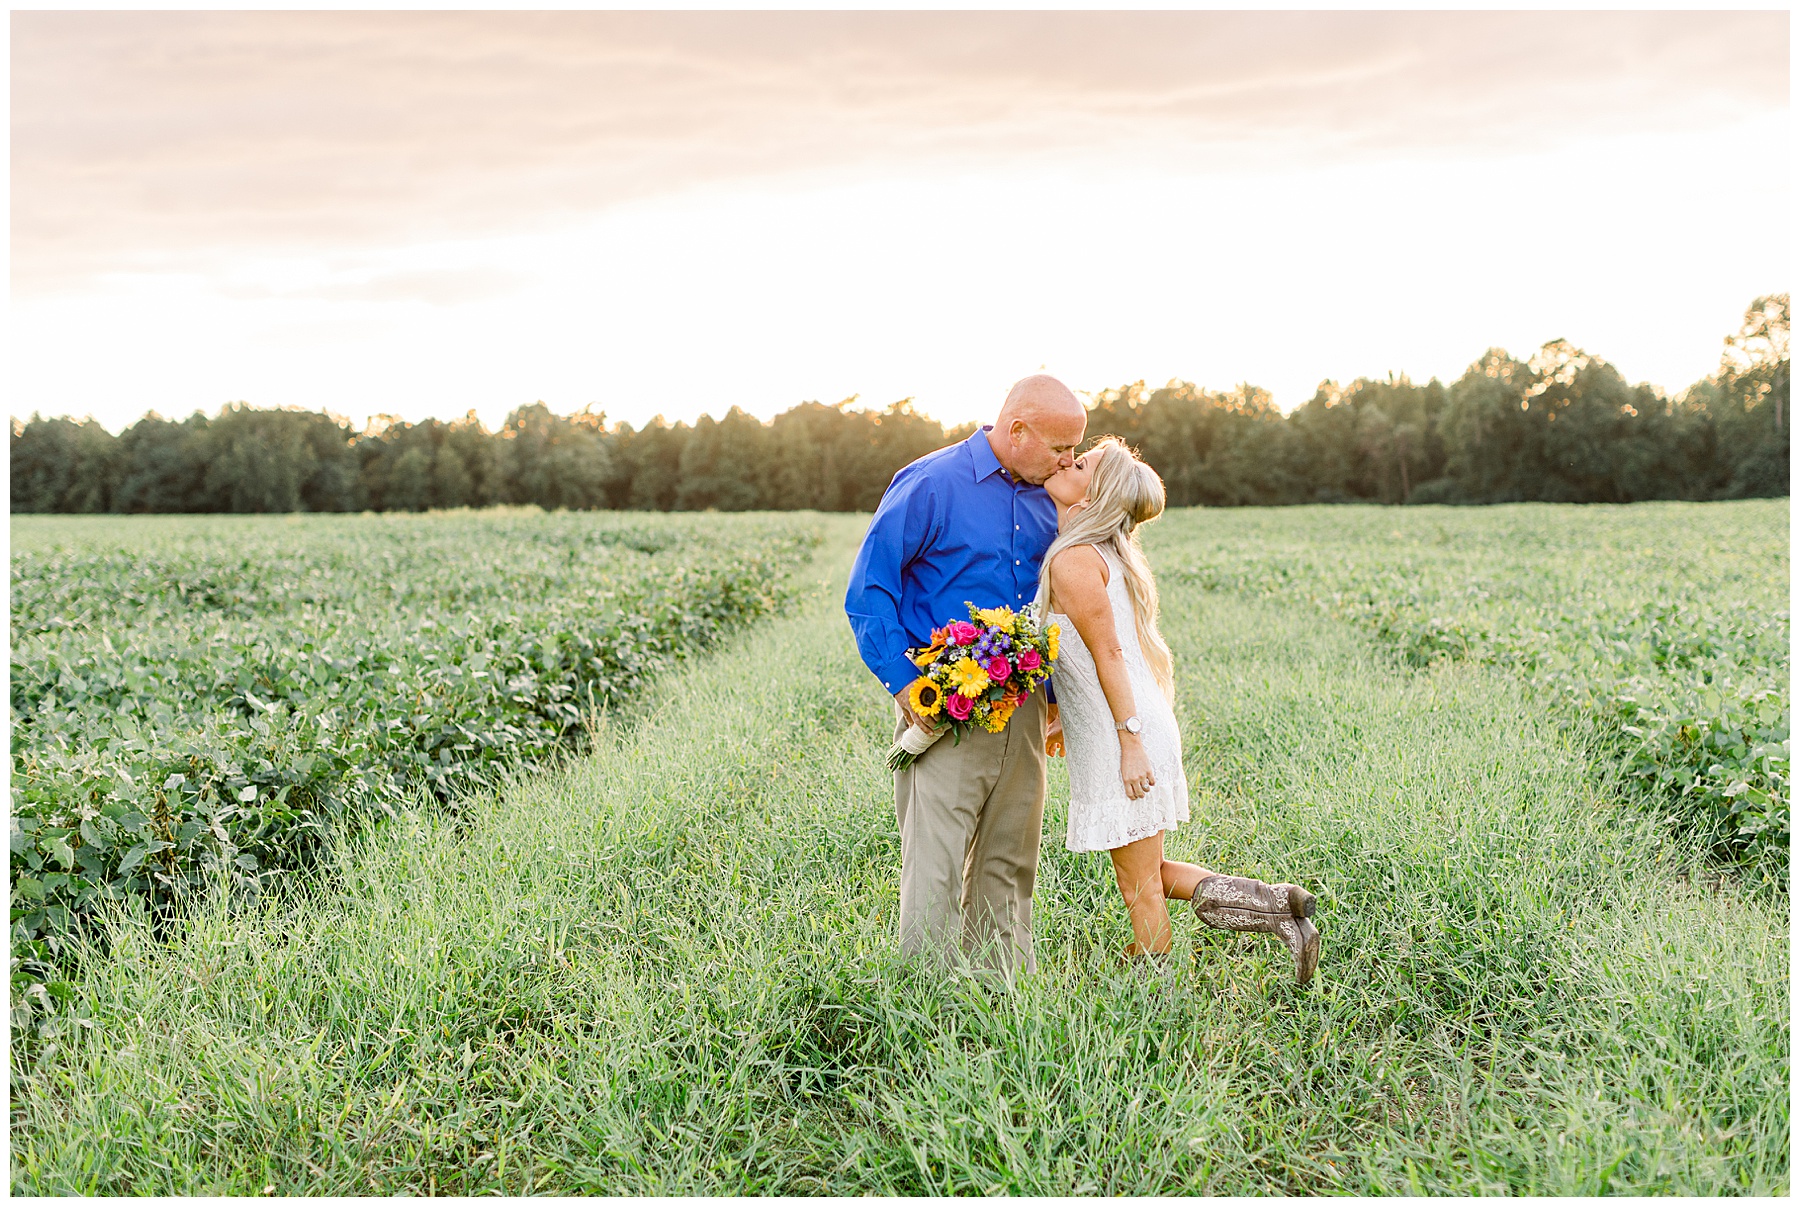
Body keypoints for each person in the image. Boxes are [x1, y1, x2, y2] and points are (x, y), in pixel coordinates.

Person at [1038, 437, 1321, 985]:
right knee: (1150, 872)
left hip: (1125, 732)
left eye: (1083, 462)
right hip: (1126, 725)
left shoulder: (1074, 559)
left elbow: (1110, 654)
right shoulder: (1102, 554)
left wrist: (1129, 743)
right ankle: (1276, 906)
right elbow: (1082, 656)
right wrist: (1060, 716)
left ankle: (1154, 990)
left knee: (1138, 886)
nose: (1069, 461)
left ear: (1093, 495)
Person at [845, 374, 1087, 977]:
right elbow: (870, 588)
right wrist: (905, 683)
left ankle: (997, 998)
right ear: (1017, 430)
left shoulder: (1055, 499)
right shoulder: (931, 481)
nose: (1069, 460)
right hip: (943, 705)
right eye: (1060, 447)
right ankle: (923, 1002)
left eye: (1075, 449)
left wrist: (1056, 700)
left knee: (1010, 858)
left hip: (1024, 708)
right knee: (936, 865)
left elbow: (1060, 601)